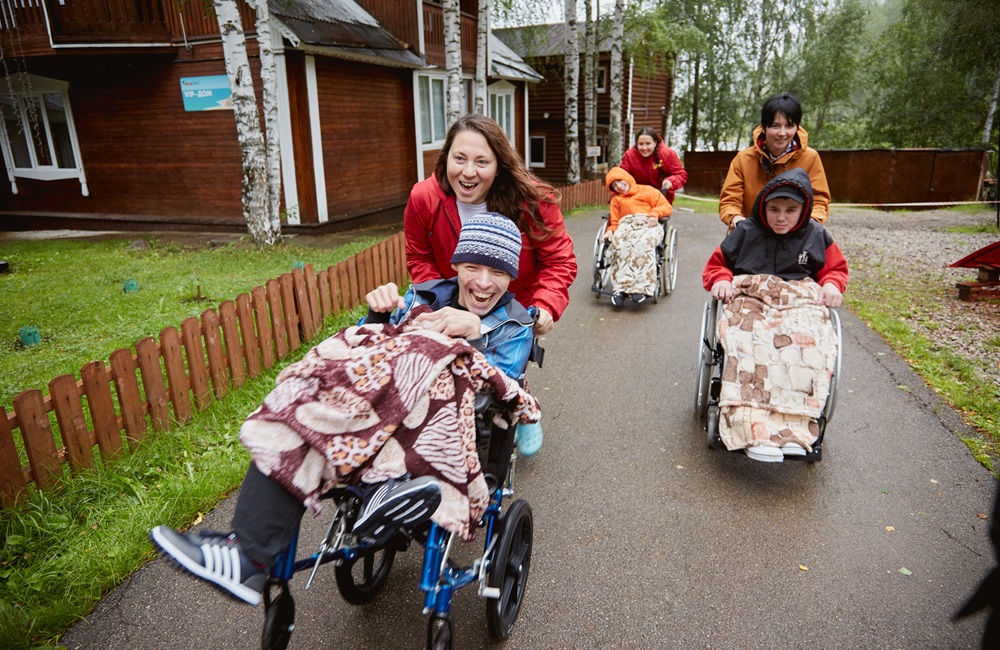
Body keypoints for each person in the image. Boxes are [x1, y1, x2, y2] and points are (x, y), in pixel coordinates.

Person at [149, 214, 541, 606]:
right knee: (304, 414)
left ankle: (390, 485)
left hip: (441, 435)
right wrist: (378, 317)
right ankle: (247, 556)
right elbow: (368, 356)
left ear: (511, 276)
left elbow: (501, 389)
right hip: (373, 415)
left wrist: (475, 332)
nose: (483, 282)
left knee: (439, 360)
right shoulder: (422, 295)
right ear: (456, 265)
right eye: (473, 267)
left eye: (497, 271)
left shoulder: (515, 324)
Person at [702, 167, 848, 462]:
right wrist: (720, 278)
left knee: (805, 349)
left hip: (798, 302)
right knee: (748, 346)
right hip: (751, 297)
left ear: (804, 209)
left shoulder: (816, 235)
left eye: (791, 210)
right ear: (763, 207)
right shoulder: (746, 232)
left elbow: (834, 269)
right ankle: (750, 429)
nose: (781, 217)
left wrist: (832, 284)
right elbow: (718, 264)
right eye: (774, 209)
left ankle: (795, 431)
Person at [404, 114, 577, 336]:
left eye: (481, 162)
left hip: (511, 318)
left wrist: (544, 305)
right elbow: (420, 257)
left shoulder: (532, 200)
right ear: (446, 158)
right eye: (459, 158)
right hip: (451, 312)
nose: (468, 172)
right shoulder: (423, 198)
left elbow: (558, 260)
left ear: (498, 167)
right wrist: (442, 302)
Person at [718, 93, 831, 229]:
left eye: (789, 126)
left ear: (797, 128)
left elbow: (819, 200)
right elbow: (730, 200)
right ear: (764, 128)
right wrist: (736, 219)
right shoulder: (743, 159)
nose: (782, 133)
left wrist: (809, 224)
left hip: (794, 235)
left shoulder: (810, 158)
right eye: (775, 126)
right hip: (751, 233)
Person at [602, 166, 671, 306]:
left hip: (647, 223)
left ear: (627, 178)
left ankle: (641, 288)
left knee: (644, 244)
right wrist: (610, 230)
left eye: (620, 182)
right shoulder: (616, 200)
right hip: (626, 225)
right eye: (614, 186)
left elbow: (666, 207)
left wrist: (655, 213)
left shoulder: (647, 190)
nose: (619, 187)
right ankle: (620, 289)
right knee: (618, 244)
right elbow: (615, 221)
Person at [619, 126, 688, 203]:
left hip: (662, 200)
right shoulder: (629, 155)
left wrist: (670, 181)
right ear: (636, 143)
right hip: (636, 199)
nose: (644, 148)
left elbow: (681, 175)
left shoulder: (668, 154)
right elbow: (621, 175)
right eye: (641, 144)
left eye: (648, 144)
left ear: (655, 143)